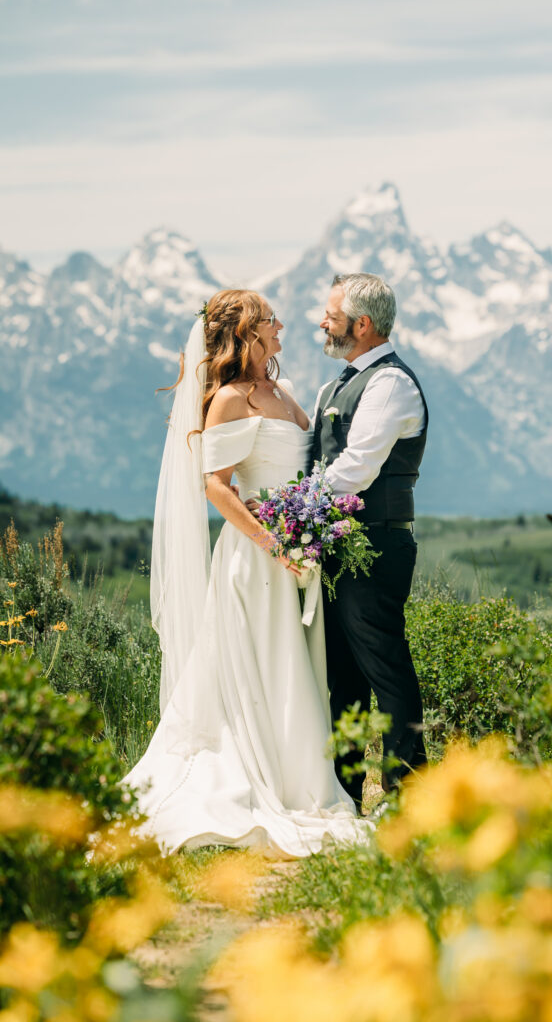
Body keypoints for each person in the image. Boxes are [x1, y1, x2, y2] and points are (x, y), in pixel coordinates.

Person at [123, 289, 369, 856]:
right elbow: (216, 486)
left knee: (290, 667)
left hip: (291, 553)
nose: (282, 325)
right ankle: (256, 781)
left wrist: (310, 530)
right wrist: (273, 543)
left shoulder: (281, 392)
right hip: (255, 558)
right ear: (247, 333)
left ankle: (297, 775)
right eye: (270, 320)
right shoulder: (230, 399)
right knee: (262, 665)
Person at [311, 273, 429, 808]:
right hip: (335, 549)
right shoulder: (333, 386)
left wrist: (295, 509)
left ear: (362, 324)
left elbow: (356, 468)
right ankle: (346, 792)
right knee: (344, 677)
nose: (323, 322)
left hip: (377, 546)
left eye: (331, 315)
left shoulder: (391, 384)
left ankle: (410, 792)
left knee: (385, 668)